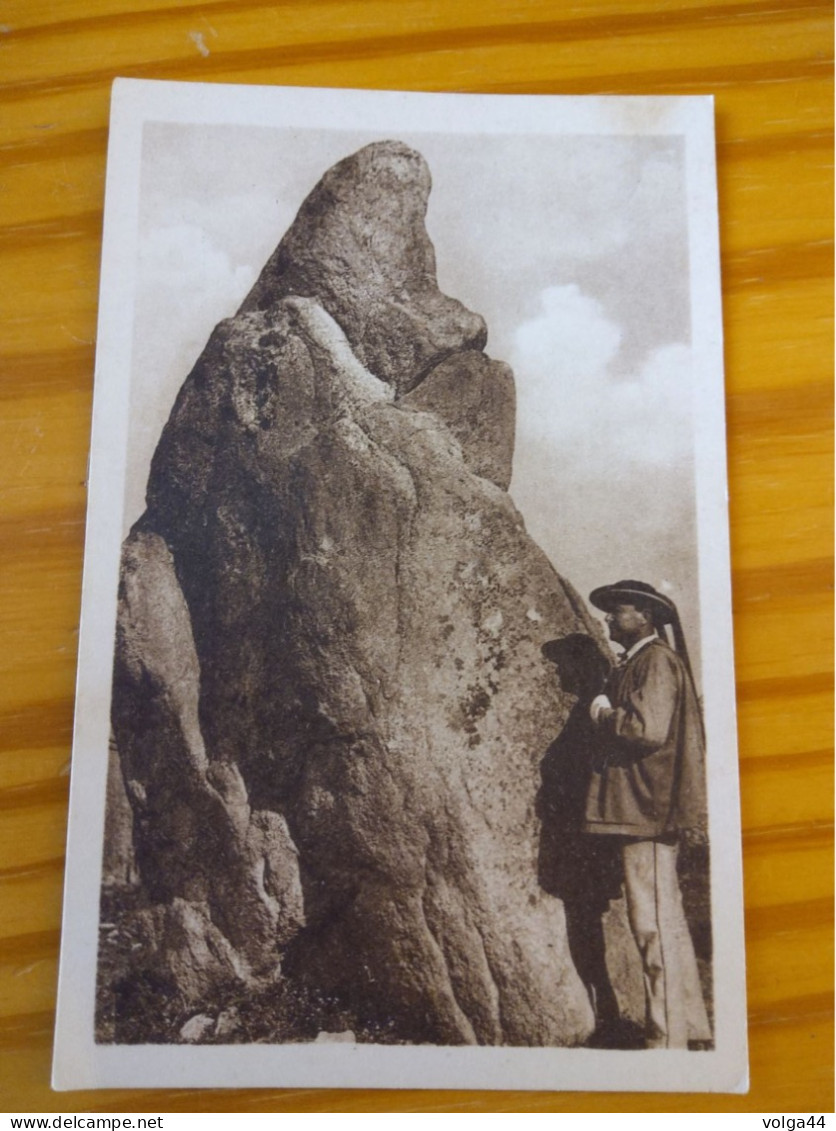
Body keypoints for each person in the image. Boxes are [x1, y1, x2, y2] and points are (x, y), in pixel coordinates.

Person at [584, 579, 711, 1050]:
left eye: (617, 611)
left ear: (644, 616)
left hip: (647, 811)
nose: (609, 619)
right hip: (644, 809)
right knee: (665, 922)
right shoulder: (643, 660)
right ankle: (689, 1029)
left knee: (651, 925)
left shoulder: (654, 660)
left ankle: (666, 1041)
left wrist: (601, 714)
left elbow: (647, 729)